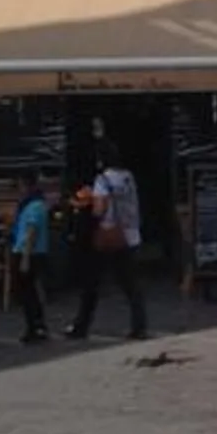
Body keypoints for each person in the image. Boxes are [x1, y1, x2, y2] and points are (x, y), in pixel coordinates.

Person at [67, 141, 149, 342]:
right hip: (131, 235)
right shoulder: (128, 177)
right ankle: (139, 326)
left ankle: (81, 326)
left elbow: (99, 209)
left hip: (108, 235)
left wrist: (86, 205)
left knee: (92, 283)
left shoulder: (103, 180)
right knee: (131, 284)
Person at [10, 172, 54, 344]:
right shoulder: (32, 205)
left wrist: (25, 257)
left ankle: (34, 326)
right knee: (30, 291)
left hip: (28, 252)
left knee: (27, 292)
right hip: (26, 249)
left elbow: (31, 232)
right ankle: (37, 324)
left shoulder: (34, 206)